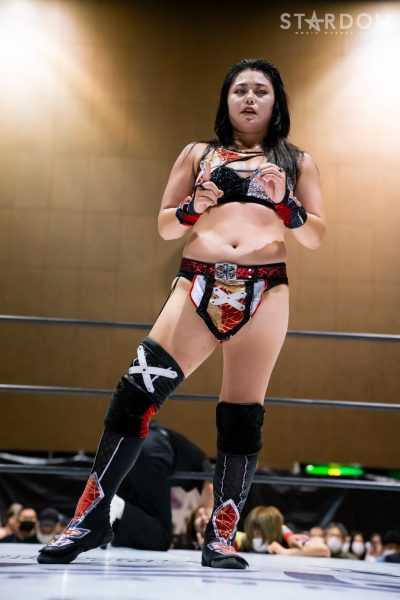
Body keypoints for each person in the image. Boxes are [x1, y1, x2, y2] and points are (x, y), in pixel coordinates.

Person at [37, 57, 325, 569]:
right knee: (136, 392)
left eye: (261, 90)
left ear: (276, 101)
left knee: (242, 414)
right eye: (240, 89)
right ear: (226, 99)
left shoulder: (296, 162)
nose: (250, 98)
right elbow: (167, 226)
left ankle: (220, 539)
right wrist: (194, 205)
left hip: (264, 291)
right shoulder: (197, 154)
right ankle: (89, 518)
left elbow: (316, 236)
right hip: (197, 282)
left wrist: (288, 205)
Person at [109, 422, 213, 550]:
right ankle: (114, 507)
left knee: (138, 517)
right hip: (153, 449)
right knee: (162, 538)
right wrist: (213, 538)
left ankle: (108, 517)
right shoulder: (203, 465)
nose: (204, 519)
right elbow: (210, 493)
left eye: (200, 527)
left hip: (129, 445)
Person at [237, 506, 329, 557]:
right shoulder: (242, 539)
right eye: (253, 529)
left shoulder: (289, 540)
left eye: (260, 531)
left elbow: (323, 550)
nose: (255, 533)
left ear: (272, 531)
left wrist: (285, 552)